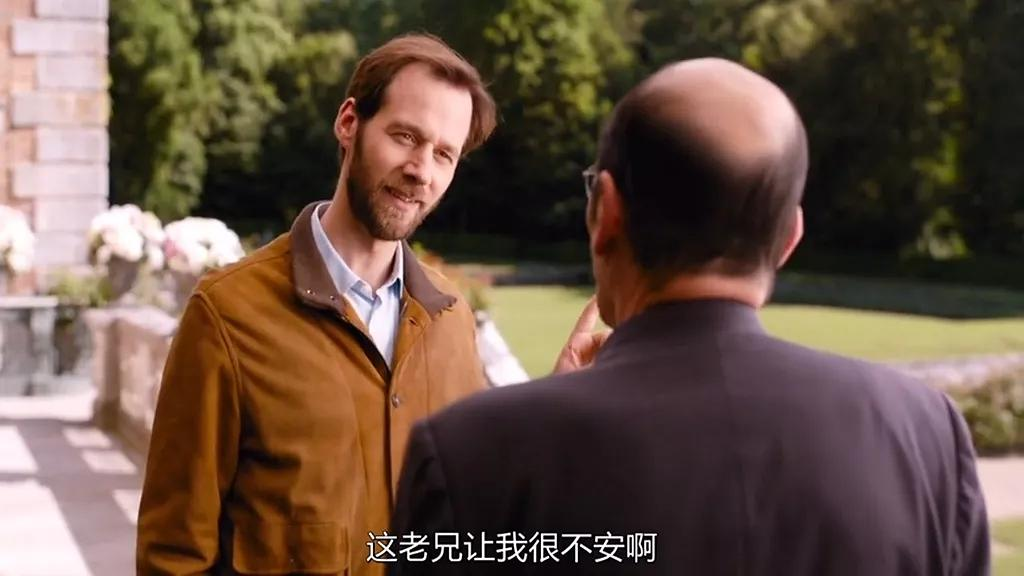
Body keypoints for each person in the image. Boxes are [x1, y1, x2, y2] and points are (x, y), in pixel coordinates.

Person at [390, 58, 990, 575]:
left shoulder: (472, 451)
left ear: (606, 213)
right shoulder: (925, 434)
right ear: (789, 238)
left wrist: (537, 435)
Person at [136, 34, 500, 576]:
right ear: (349, 123)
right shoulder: (226, 315)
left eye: (444, 154)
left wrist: (563, 403)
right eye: (405, 136)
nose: (422, 170)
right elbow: (173, 556)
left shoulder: (452, 321)